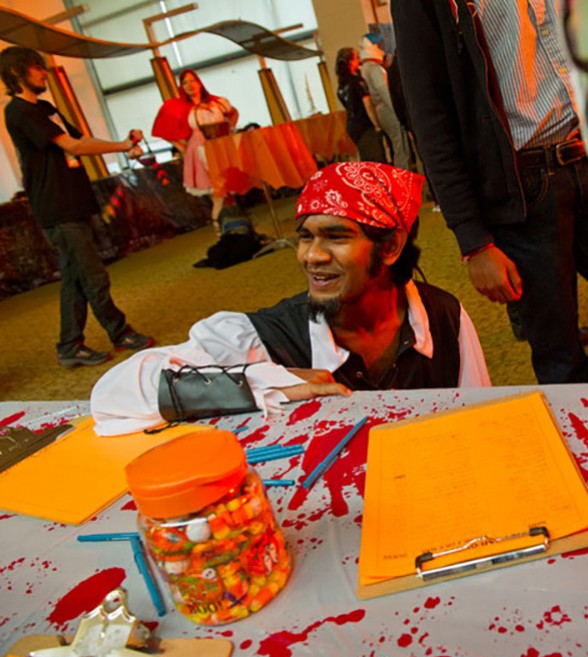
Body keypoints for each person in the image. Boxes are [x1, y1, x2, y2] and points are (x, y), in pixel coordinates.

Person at [91, 162, 491, 435]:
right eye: (305, 237)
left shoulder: (443, 317)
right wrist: (264, 382)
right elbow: (112, 395)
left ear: (389, 247)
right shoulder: (267, 338)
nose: (311, 256)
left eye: (335, 236)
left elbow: (481, 418)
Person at [392, 0, 588, 384]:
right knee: (559, 356)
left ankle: (584, 396)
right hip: (522, 190)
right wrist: (473, 241)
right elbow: (430, 117)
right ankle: (575, 405)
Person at [1, 46, 155, 367]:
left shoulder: (45, 108)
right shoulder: (18, 111)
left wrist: (124, 146)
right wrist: (122, 146)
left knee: (74, 279)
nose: (43, 72)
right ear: (16, 72)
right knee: (93, 276)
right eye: (36, 67)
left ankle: (69, 345)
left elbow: (82, 140)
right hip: (56, 208)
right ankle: (120, 333)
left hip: (74, 202)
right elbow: (73, 145)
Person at [151, 69, 239, 233]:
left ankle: (235, 229)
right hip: (201, 151)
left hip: (221, 148)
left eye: (192, 81)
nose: (189, 85)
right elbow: (163, 129)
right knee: (218, 195)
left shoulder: (216, 102)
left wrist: (230, 129)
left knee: (229, 194)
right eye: (185, 83)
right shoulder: (179, 107)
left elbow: (233, 114)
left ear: (199, 82)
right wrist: (182, 147)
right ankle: (221, 233)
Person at [358, 34, 414, 170]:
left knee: (397, 144)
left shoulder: (365, 68)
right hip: (388, 110)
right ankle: (403, 174)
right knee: (400, 146)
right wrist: (398, 110)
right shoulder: (373, 68)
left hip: (381, 110)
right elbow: (385, 93)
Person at [334, 47, 387, 163]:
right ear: (350, 62)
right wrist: (377, 125)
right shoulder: (357, 81)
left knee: (367, 158)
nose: (359, 60)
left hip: (353, 127)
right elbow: (368, 105)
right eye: (356, 58)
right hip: (365, 125)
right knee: (377, 160)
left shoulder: (341, 87)